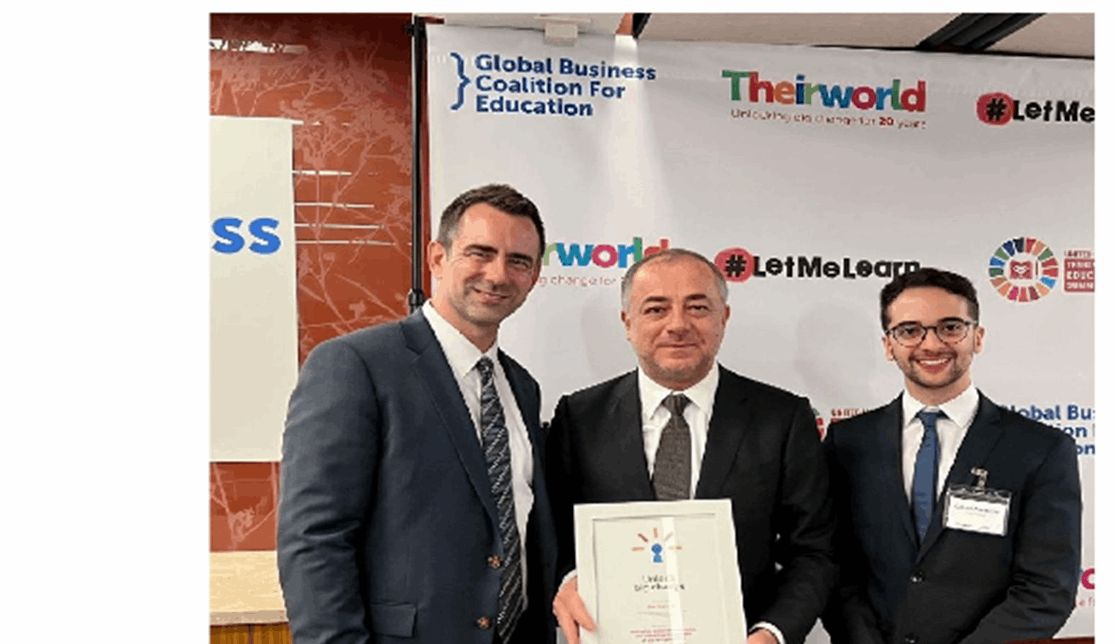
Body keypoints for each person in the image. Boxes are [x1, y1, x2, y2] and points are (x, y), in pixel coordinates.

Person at [277, 184, 557, 644]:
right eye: (480, 253)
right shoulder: (356, 365)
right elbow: (315, 538)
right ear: (437, 258)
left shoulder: (522, 386)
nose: (497, 274)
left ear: (534, 276)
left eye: (518, 261)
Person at [546, 248, 836, 644]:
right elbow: (553, 535)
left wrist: (771, 633)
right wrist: (569, 578)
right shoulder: (579, 417)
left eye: (697, 308)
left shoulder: (782, 418)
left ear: (724, 318)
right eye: (656, 309)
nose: (678, 325)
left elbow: (815, 550)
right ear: (627, 322)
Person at [821, 267, 1081, 644]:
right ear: (888, 345)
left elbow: (1047, 589)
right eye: (909, 330)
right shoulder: (848, 443)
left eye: (950, 327)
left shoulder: (1041, 449)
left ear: (977, 337)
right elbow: (833, 565)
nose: (931, 344)